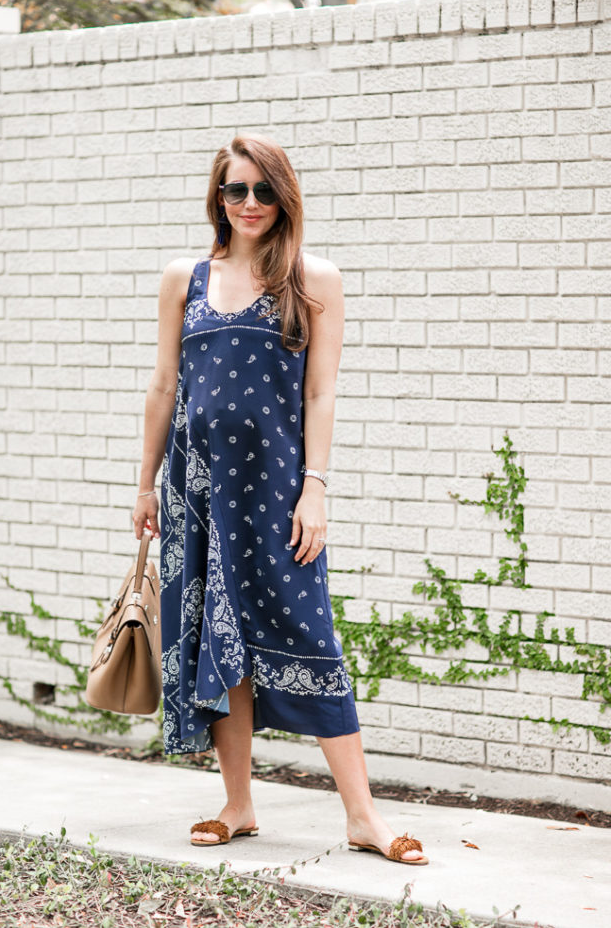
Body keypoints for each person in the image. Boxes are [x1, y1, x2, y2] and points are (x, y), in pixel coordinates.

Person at [131, 132, 428, 866]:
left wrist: (315, 490)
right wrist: (145, 485)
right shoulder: (185, 278)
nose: (250, 204)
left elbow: (321, 392)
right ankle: (238, 804)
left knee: (310, 634)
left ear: (284, 198)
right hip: (195, 491)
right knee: (212, 636)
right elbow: (166, 387)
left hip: (276, 493)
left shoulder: (314, 279)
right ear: (218, 198)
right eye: (237, 190)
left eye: (264, 191)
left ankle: (362, 816)